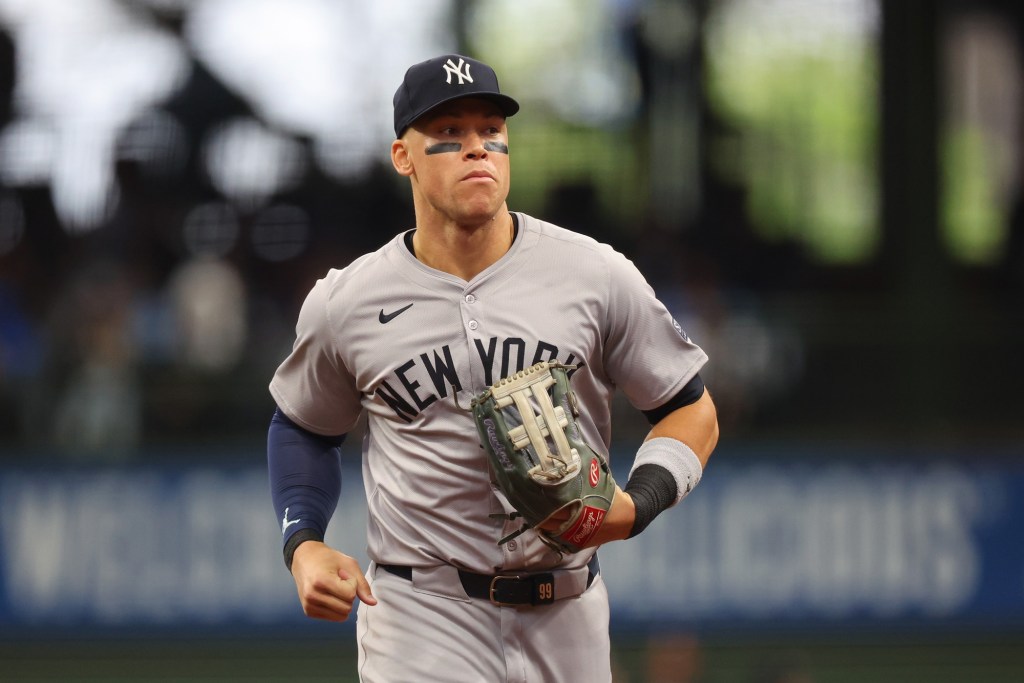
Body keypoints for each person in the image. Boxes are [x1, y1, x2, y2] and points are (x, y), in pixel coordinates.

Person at [267, 54, 719, 682]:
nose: (476, 147)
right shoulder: (347, 302)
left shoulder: (594, 274)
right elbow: (302, 428)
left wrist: (639, 503)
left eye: (491, 130)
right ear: (403, 156)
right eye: (449, 133)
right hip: (421, 615)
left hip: (568, 613)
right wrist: (304, 543)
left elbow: (690, 409)